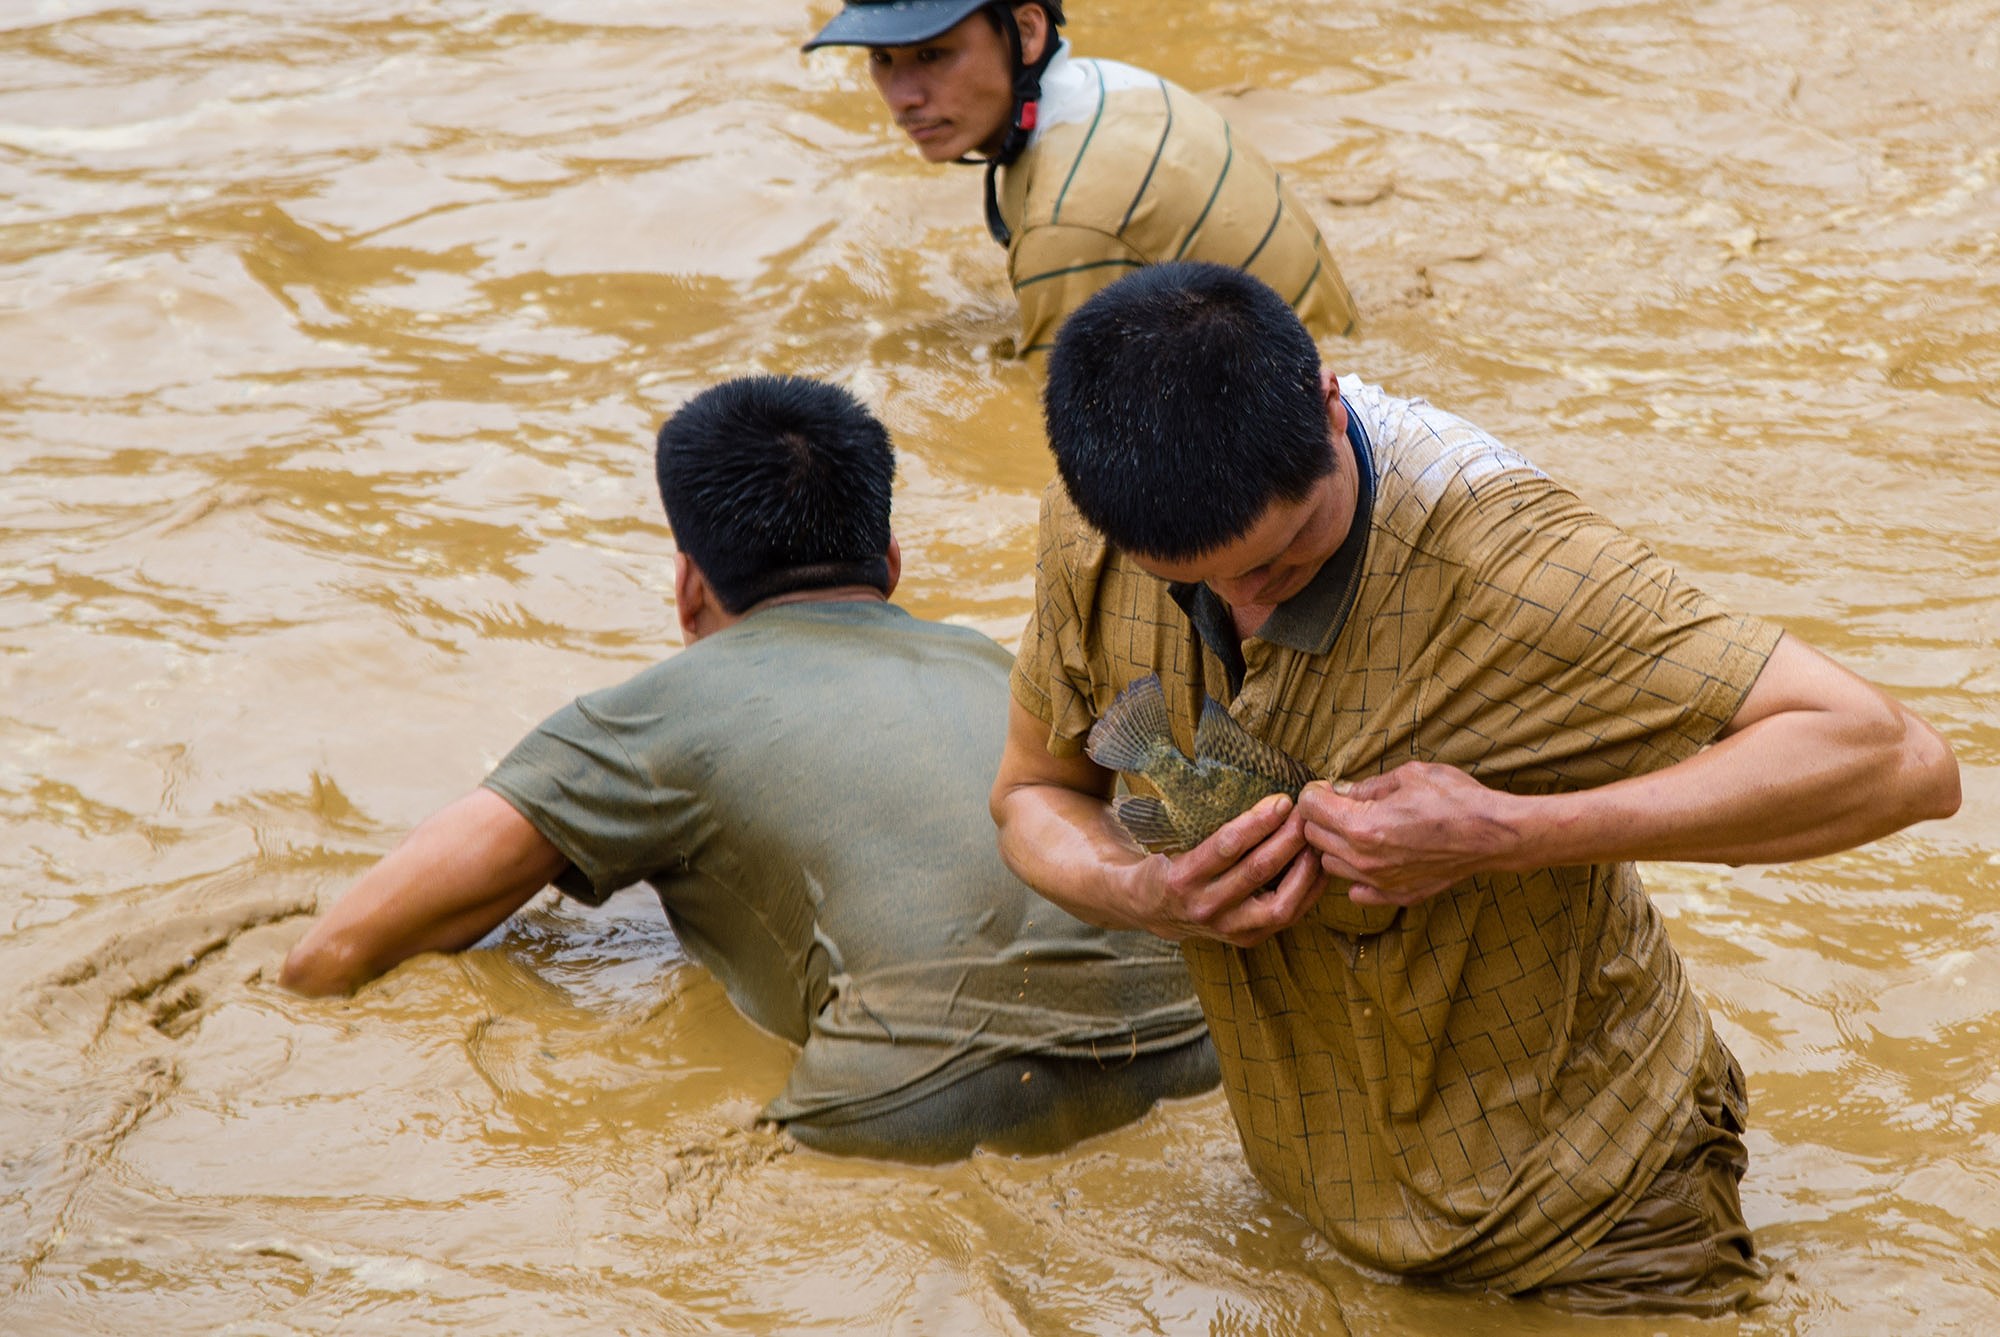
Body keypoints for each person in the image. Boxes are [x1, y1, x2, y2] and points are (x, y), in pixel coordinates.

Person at [989, 262, 1961, 1310]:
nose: (1241, 602)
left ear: (1326, 405)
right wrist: (1146, 893)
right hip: (1313, 1186)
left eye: (1278, 560)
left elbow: (1897, 760)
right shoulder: (1107, 514)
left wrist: (1509, 829)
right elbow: (1032, 793)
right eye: (1193, 581)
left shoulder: (1513, 562)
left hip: (1596, 1222)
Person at [280, 374, 1218, 1163]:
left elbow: (334, 955)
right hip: (1198, 1052)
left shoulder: (647, 714)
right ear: (889, 562)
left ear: (688, 586)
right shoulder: (997, 666)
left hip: (905, 1101)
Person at [803, 0, 1357, 361]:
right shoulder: (1108, 85)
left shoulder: (1065, 216)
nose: (903, 98)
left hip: (1293, 422)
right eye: (882, 59)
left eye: (932, 54)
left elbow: (1057, 436)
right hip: (1327, 364)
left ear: (1026, 32)